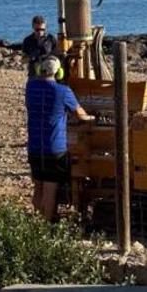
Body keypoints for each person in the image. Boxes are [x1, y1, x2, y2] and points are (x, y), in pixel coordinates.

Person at [25, 54, 93, 221]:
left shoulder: (30, 87)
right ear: (59, 72)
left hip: (34, 147)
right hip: (55, 148)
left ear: (40, 69)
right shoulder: (63, 91)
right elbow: (80, 114)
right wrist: (91, 118)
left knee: (38, 187)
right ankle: (46, 224)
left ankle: (36, 222)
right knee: (50, 190)